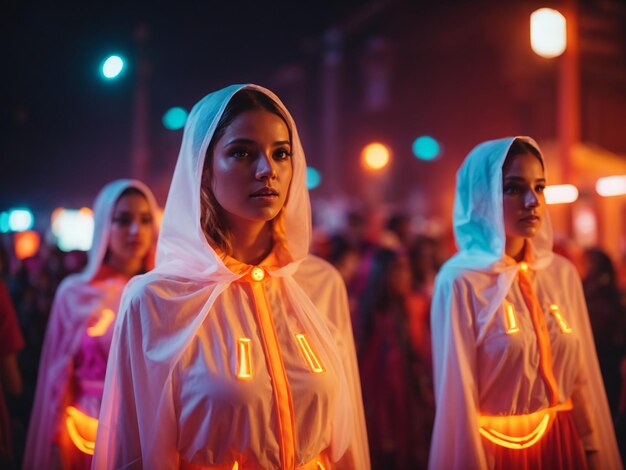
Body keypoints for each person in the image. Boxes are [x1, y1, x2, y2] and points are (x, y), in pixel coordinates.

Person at [92, 84, 369, 470]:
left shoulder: (320, 285)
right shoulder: (156, 299)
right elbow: (134, 450)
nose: (266, 170)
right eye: (242, 152)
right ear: (203, 170)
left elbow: (348, 437)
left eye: (280, 153)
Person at [429, 137, 622, 469]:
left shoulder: (560, 274)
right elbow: (457, 398)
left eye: (540, 187)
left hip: (564, 446)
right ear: (482, 197)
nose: (532, 201)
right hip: (498, 454)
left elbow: (582, 378)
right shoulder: (461, 280)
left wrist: (593, 448)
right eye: (513, 189)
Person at [23, 179, 159, 470]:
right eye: (122, 220)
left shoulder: (162, 293)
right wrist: (57, 443)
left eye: (145, 220)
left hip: (148, 426)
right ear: (103, 226)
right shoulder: (74, 293)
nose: (136, 230)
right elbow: (58, 378)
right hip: (88, 425)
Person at [357, 248, 433, 469]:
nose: (404, 275)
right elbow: (370, 372)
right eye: (397, 270)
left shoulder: (407, 307)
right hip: (382, 405)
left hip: (406, 398)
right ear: (382, 275)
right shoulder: (372, 314)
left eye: (406, 269)